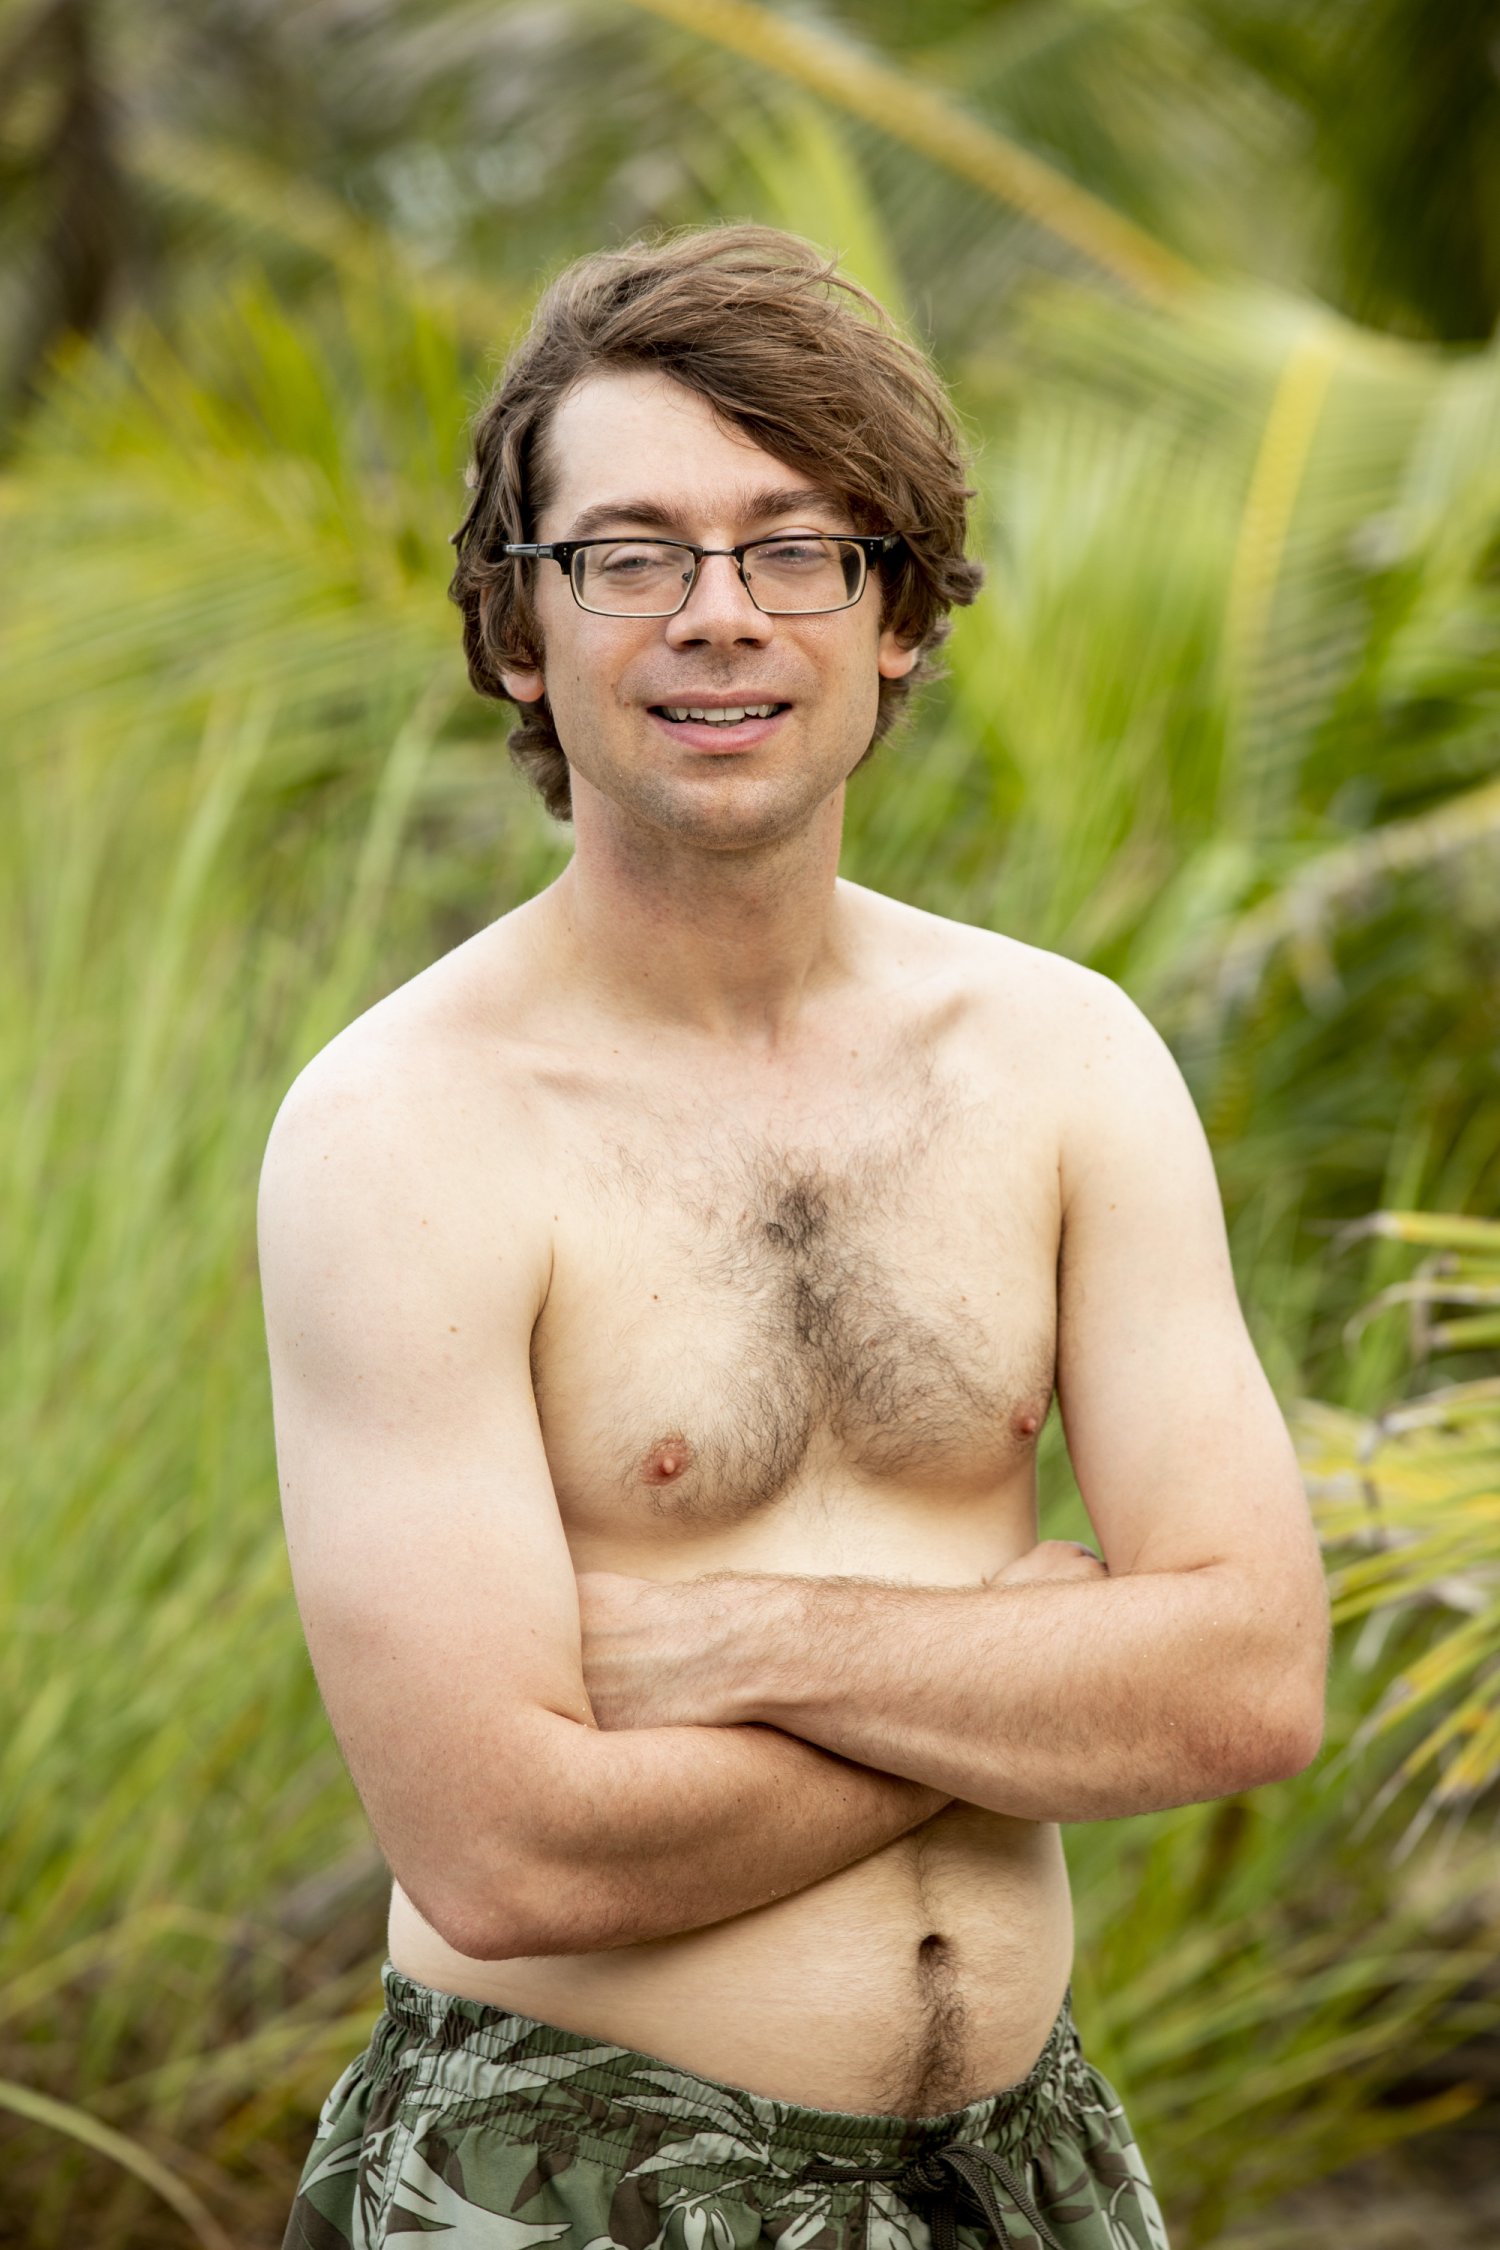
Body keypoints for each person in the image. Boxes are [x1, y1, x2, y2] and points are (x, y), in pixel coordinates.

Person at [260, 225, 1328, 2250]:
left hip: (1029, 2169)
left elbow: (1254, 1680)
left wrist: (756, 1642)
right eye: (630, 555)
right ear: (518, 631)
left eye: (795, 548)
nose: (719, 616)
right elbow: (508, 1852)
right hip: (566, 2175)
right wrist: (1039, 1676)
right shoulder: (403, 1133)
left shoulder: (1063, 1059)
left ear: (895, 612)